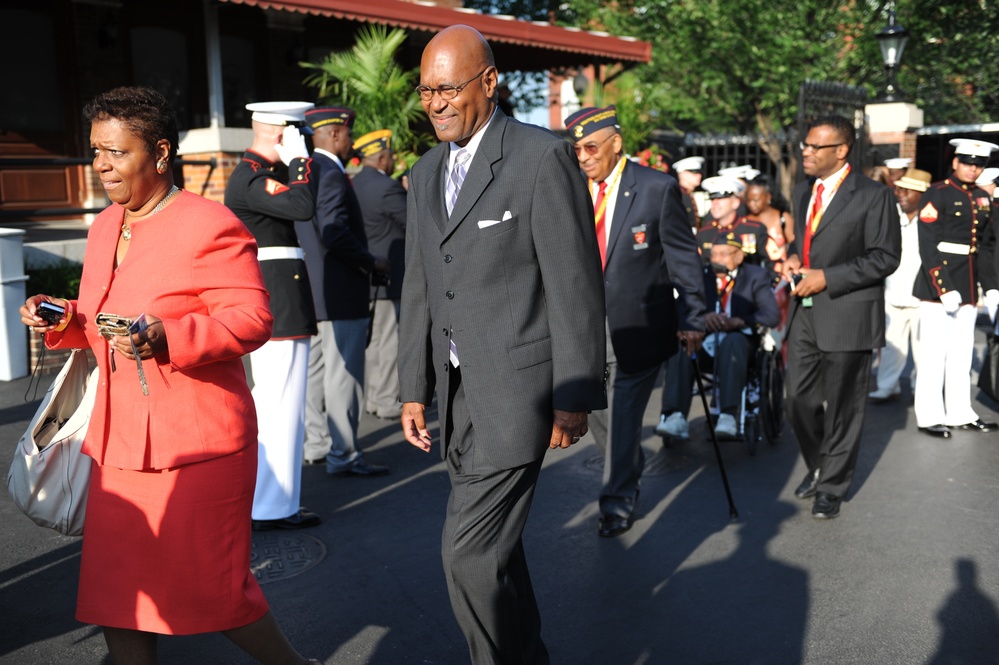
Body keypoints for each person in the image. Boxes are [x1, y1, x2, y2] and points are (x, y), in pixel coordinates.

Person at [21, 86, 320, 665]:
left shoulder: (209, 223)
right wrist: (61, 319)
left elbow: (253, 318)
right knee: (117, 597)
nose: (102, 164)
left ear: (159, 153)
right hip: (117, 448)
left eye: (116, 152)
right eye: (96, 151)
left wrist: (171, 336)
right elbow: (102, 323)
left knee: (218, 592)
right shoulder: (106, 224)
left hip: (197, 448)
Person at [399, 25, 606, 664]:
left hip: (519, 394)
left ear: (489, 82)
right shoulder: (427, 169)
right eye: (426, 90)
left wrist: (573, 397)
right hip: (457, 397)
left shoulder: (541, 158)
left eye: (448, 89)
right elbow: (418, 285)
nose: (435, 103)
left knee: (468, 553)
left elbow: (574, 286)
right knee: (500, 553)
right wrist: (413, 389)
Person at [565, 104, 706, 538]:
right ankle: (626, 466)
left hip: (641, 326)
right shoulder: (571, 189)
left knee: (624, 414)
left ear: (616, 143)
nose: (584, 157)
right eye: (577, 150)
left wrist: (694, 315)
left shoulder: (655, 188)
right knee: (600, 416)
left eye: (591, 147)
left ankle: (617, 501)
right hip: (585, 326)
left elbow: (684, 258)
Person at [782, 114, 900, 520]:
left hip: (849, 313)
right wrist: (795, 259)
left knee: (844, 407)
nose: (806, 152)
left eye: (816, 146)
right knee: (797, 398)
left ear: (842, 150)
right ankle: (819, 463)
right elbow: (806, 241)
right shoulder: (802, 191)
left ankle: (832, 485)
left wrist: (827, 278)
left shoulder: (873, 195)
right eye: (806, 145)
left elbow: (886, 257)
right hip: (804, 313)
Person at [225, 100, 321, 531]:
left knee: (284, 408)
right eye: (301, 132)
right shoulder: (251, 178)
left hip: (284, 301)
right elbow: (302, 206)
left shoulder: (264, 175)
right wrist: (299, 160)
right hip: (278, 304)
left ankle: (275, 503)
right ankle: (270, 507)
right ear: (282, 132)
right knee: (279, 408)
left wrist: (297, 163)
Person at [294, 107, 391, 476]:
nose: (351, 140)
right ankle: (345, 454)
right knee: (344, 377)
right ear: (334, 135)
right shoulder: (331, 172)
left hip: (315, 291)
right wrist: (369, 261)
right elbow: (334, 232)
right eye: (348, 133)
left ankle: (317, 444)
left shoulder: (305, 170)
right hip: (341, 289)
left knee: (316, 374)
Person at [912, 139, 999, 438]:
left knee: (961, 354)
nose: (973, 168)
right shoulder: (937, 194)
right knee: (934, 354)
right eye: (967, 162)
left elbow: (984, 248)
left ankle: (960, 411)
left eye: (979, 164)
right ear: (955, 163)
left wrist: (991, 287)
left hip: (968, 284)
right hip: (939, 286)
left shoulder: (982, 199)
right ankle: (930, 415)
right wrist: (943, 287)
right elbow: (928, 245)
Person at [660, 234, 779, 438]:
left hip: (740, 345)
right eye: (713, 254)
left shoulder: (755, 276)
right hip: (705, 342)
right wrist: (702, 317)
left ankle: (728, 416)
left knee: (733, 341)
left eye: (724, 254)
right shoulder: (701, 275)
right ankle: (675, 416)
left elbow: (771, 315)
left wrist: (739, 321)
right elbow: (682, 308)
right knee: (682, 344)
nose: (717, 259)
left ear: (739, 256)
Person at [353, 129, 408, 420]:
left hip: (367, 274)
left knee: (374, 340)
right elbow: (413, 222)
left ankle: (375, 397)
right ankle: (387, 400)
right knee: (388, 341)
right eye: (390, 156)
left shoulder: (354, 184)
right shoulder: (387, 188)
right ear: (382, 157)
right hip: (390, 276)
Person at [869, 168, 931, 402]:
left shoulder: (931, 219)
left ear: (921, 194)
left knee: (922, 348)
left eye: (907, 190)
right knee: (890, 346)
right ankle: (887, 386)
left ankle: (921, 388)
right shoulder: (891, 214)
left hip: (922, 296)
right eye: (900, 189)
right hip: (893, 292)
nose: (901, 194)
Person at [696, 176, 773, 272]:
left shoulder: (754, 229)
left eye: (720, 198)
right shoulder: (705, 232)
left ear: (735, 202)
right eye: (712, 199)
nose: (715, 203)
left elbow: (768, 264)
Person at [746, 175, 795, 267]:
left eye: (756, 200)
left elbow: (794, 245)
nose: (751, 204)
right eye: (748, 200)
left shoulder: (783, 218)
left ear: (768, 197)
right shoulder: (746, 220)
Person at [672, 155, 706, 227]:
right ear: (682, 174)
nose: (699, 176)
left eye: (699, 173)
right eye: (694, 173)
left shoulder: (688, 194)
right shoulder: (677, 195)